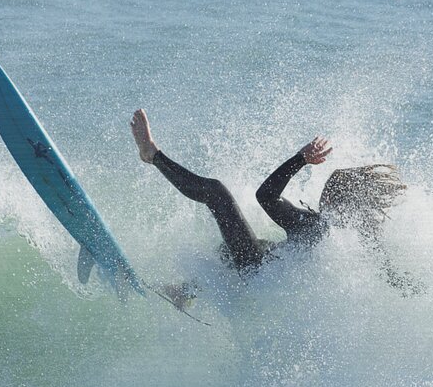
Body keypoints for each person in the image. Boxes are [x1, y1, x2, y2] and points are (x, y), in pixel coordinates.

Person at [130, 109, 409, 305]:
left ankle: (151, 155)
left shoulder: (316, 226)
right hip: (267, 280)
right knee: (231, 249)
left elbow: (265, 196)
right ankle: (185, 292)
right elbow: (387, 273)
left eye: (329, 193)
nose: (324, 196)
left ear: (337, 201)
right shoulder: (358, 238)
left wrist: (300, 159)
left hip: (257, 274)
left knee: (216, 194)